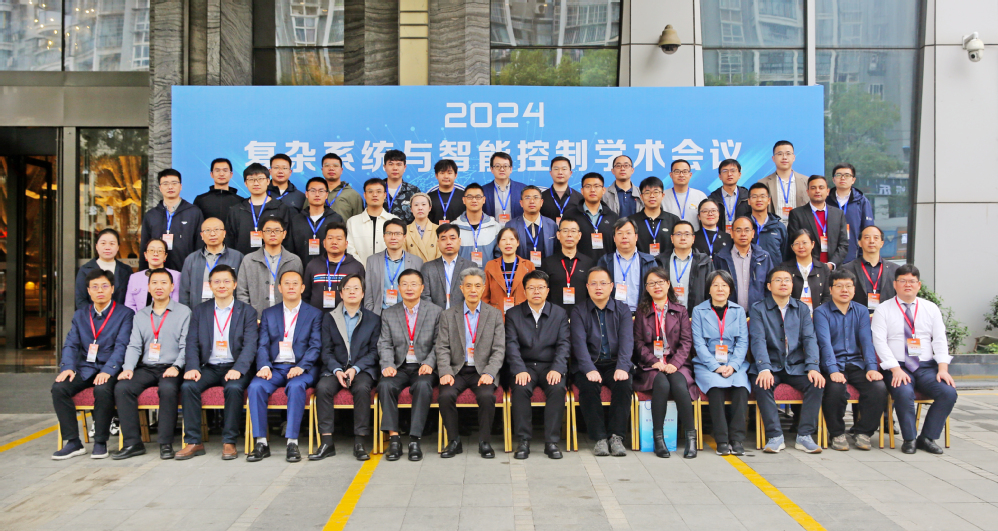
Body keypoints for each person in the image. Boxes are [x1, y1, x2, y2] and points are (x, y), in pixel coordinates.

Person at [871, 264, 957, 455]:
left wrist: (943, 369)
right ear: (895, 284)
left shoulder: (930, 308)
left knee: (948, 393)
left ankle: (927, 438)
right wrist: (895, 369)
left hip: (926, 367)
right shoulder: (883, 309)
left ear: (919, 285)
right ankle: (909, 439)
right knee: (903, 392)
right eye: (902, 281)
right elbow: (879, 342)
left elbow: (940, 340)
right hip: (897, 366)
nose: (907, 285)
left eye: (912, 281)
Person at [51, 269, 134, 460]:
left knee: (102, 390)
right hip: (85, 368)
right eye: (94, 287)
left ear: (112, 288)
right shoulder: (81, 314)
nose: (100, 290)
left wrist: (108, 370)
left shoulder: (125, 314)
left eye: (104, 286)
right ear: (88, 291)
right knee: (59, 388)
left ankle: (100, 442)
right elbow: (71, 344)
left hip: (111, 369)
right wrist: (68, 367)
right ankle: (73, 442)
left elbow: (122, 346)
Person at [177, 264, 258, 460]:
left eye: (226, 281)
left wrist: (238, 369)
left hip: (235, 366)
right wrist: (192, 367)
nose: (222, 285)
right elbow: (192, 342)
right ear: (210, 285)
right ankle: (194, 442)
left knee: (234, 388)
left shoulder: (247, 311)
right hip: (209, 366)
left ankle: (229, 441)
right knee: (188, 386)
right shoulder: (200, 311)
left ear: (235, 284)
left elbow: (250, 345)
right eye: (217, 281)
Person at [112, 269, 192, 460]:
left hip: (172, 367)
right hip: (147, 367)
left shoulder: (184, 312)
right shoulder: (140, 315)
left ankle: (165, 443)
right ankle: (133, 443)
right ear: (148, 287)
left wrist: (177, 366)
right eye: (154, 283)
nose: (159, 287)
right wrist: (128, 368)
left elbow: (187, 346)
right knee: (123, 387)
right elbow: (134, 345)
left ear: (172, 287)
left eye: (164, 283)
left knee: (167, 389)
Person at [246, 270, 322, 462]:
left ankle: (292, 443)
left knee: (296, 386)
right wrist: (264, 366)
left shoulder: (314, 314)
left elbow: (315, 346)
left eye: (295, 283)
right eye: (286, 283)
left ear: (302, 288)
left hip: (302, 368)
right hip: (275, 367)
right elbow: (262, 344)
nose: (291, 287)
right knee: (255, 386)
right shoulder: (269, 313)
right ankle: (261, 442)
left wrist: (302, 367)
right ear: (279, 288)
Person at [750, 266, 825, 454]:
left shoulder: (802, 309)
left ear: (792, 285)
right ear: (769, 286)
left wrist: (813, 367)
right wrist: (764, 368)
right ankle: (775, 436)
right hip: (771, 366)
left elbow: (810, 339)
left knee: (816, 383)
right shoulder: (758, 309)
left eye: (787, 280)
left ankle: (805, 436)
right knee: (761, 384)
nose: (783, 283)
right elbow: (758, 340)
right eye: (778, 280)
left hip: (795, 366)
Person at [815, 269, 887, 451]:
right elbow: (824, 344)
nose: (844, 290)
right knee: (835, 389)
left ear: (854, 289)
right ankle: (837, 433)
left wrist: (872, 368)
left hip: (856, 364)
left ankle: (864, 432)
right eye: (839, 286)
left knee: (878, 388)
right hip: (832, 364)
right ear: (830, 289)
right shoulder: (821, 312)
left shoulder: (861, 311)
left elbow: (866, 342)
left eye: (848, 286)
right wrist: (833, 370)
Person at [437, 267, 506, 459]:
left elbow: (499, 349)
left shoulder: (494, 314)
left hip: (482, 370)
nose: (473, 290)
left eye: (477, 285)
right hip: (457, 369)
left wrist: (490, 373)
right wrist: (445, 371)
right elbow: (442, 347)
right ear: (461, 288)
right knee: (445, 395)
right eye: (468, 286)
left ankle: (484, 442)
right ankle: (454, 441)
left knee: (486, 396)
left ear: (483, 288)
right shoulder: (448, 315)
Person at [311, 274, 380, 461]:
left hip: (362, 369)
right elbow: (326, 351)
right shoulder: (329, 318)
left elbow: (374, 352)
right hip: (335, 368)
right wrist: (337, 370)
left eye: (356, 288)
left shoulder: (373, 319)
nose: (352, 292)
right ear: (340, 293)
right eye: (347, 288)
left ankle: (360, 442)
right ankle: (327, 442)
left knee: (362, 388)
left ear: (363, 293)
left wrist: (355, 368)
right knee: (323, 388)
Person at [377, 269, 442, 461]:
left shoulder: (436, 311)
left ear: (422, 288)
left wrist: (430, 363)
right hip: (399, 366)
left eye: (414, 284)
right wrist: (387, 365)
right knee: (385, 385)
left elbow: (440, 343)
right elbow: (384, 343)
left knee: (422, 385)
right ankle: (394, 438)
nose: (409, 288)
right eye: (404, 284)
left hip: (424, 366)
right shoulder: (389, 313)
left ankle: (415, 439)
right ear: (398, 288)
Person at [632, 267, 697, 459]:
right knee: (661, 383)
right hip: (651, 365)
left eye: (660, 282)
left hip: (676, 364)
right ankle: (658, 438)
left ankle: (691, 437)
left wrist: (675, 363)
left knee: (678, 384)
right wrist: (654, 361)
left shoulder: (680, 310)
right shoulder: (642, 312)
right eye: (652, 283)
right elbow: (638, 343)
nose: (657, 286)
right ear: (646, 288)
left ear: (668, 284)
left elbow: (686, 342)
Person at [505, 270, 570, 459]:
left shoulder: (559, 313)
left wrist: (557, 368)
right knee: (520, 388)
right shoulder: (513, 314)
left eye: (540, 287)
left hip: (550, 366)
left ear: (547, 290)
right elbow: (511, 345)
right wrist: (519, 369)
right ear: (524, 291)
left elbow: (564, 344)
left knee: (557, 388)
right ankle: (523, 441)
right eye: (531, 288)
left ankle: (551, 442)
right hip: (525, 366)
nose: (536, 292)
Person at [570, 266, 633, 456]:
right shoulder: (578, 310)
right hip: (588, 364)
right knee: (588, 387)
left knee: (624, 385)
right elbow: (578, 344)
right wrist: (589, 368)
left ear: (611, 286)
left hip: (615, 364)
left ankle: (616, 437)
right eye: (594, 283)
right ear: (587, 286)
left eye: (603, 283)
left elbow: (627, 341)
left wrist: (622, 367)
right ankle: (599, 438)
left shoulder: (623, 309)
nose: (599, 287)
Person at [691, 270, 749, 456]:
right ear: (709, 289)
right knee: (715, 389)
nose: (720, 289)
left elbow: (742, 342)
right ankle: (722, 440)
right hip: (707, 363)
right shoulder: (699, 311)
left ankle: (737, 439)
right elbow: (698, 343)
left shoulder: (738, 311)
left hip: (733, 362)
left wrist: (733, 365)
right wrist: (715, 366)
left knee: (741, 388)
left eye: (724, 285)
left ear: (730, 289)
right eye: (715, 285)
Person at [236, 217, 304, 319]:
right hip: (256, 318)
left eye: (277, 230)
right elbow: (242, 293)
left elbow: (299, 292)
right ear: (261, 234)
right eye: (268, 230)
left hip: (287, 318)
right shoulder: (249, 260)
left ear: (284, 234)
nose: (273, 234)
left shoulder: (294, 261)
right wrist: (249, 317)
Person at [140, 169, 204, 271]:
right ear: (160, 188)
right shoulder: (151, 215)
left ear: (180, 186)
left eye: (174, 183)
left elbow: (200, 246)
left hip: (186, 271)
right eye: (165, 183)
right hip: (156, 273)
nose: (170, 187)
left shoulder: (194, 212)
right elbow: (144, 247)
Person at [225, 163, 293, 256]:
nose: (256, 183)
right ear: (245, 183)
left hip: (274, 261)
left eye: (260, 179)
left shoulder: (281, 208)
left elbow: (288, 240)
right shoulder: (236, 210)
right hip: (243, 261)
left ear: (268, 181)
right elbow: (229, 241)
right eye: (251, 179)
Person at [178, 217, 244, 308]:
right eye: (207, 230)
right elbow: (184, 292)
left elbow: (242, 290)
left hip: (230, 311)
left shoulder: (237, 257)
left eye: (217, 229)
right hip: (198, 311)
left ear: (224, 233)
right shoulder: (191, 259)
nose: (212, 234)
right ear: (201, 235)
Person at [364, 218, 425, 315]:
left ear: (404, 237)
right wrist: (372, 315)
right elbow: (368, 293)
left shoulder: (417, 262)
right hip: (380, 314)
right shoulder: (372, 261)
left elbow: (421, 292)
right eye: (389, 233)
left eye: (397, 234)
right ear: (384, 236)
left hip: (408, 314)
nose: (393, 237)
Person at [786, 175, 849, 268]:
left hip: (833, 269)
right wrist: (814, 266)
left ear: (827, 191)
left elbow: (843, 244)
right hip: (808, 268)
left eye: (821, 187)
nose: (817, 191)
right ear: (808, 192)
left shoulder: (838, 214)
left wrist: (831, 264)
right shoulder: (796, 214)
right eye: (813, 188)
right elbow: (794, 243)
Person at [712, 217, 774, 310]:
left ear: (753, 233)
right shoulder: (721, 258)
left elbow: (771, 287)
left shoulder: (764, 257)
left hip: (758, 313)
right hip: (729, 312)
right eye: (738, 230)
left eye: (747, 230)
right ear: (731, 233)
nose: (743, 234)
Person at [596, 218, 657, 313]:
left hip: (643, 315)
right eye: (620, 233)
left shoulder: (649, 262)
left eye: (628, 233)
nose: (624, 237)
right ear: (614, 238)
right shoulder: (605, 261)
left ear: (636, 237)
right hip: (613, 315)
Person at [302, 222, 365, 310]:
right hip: (317, 317)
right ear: (324, 243)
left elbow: (363, 297)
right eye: (330, 238)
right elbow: (305, 296)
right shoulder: (312, 265)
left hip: (347, 316)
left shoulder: (356, 267)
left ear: (346, 244)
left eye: (339, 239)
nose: (334, 242)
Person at [285, 177, 344, 268]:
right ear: (306, 194)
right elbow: (289, 249)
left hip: (329, 270)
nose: (317, 194)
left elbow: (342, 248)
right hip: (301, 270)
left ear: (326, 195)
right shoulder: (296, 220)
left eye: (321, 191)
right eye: (313, 191)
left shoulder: (336, 219)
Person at [540, 218, 594, 309]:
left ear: (579, 235)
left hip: (582, 315)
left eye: (573, 231)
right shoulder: (548, 263)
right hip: (555, 315)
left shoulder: (589, 263)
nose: (569, 235)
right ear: (558, 235)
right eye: (565, 231)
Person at [841, 225, 898, 312]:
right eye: (867, 237)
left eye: (876, 238)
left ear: (882, 243)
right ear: (859, 243)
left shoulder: (895, 270)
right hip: (856, 317)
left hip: (887, 317)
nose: (871, 241)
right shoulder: (846, 269)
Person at [660, 220, 713, 311]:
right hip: (666, 314)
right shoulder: (660, 261)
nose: (683, 238)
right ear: (672, 238)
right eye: (678, 234)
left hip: (696, 314)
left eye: (687, 234)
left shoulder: (704, 262)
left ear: (693, 238)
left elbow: (711, 291)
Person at [827, 163, 875, 264]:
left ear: (853, 180)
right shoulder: (826, 201)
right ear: (833, 179)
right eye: (839, 175)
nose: (842, 178)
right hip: (829, 257)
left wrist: (863, 258)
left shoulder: (861, 201)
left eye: (847, 175)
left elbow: (867, 231)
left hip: (853, 257)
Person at [421, 223, 475, 310]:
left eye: (452, 238)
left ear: (459, 241)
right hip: (435, 316)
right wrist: (437, 314)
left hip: (462, 315)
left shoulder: (470, 267)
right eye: (443, 239)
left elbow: (472, 295)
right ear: (438, 242)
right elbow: (425, 296)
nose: (448, 242)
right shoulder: (428, 268)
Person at [75, 228, 133, 310]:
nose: (107, 247)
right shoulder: (85, 270)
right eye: (103, 243)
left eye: (112, 243)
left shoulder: (126, 270)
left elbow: (131, 299)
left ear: (118, 247)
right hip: (92, 316)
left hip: (121, 316)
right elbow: (81, 300)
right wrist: (96, 315)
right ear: (96, 246)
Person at [483, 227, 535, 313]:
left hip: (522, 315)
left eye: (512, 239)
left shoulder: (528, 266)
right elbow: (485, 296)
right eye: (503, 239)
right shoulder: (490, 266)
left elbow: (533, 294)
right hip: (496, 315)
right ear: (498, 244)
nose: (508, 243)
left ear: (517, 243)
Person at [567, 172, 618, 261]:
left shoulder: (613, 217)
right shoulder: (570, 215)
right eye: (588, 186)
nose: (592, 190)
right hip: (578, 266)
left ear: (603, 190)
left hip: (606, 266)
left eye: (596, 186)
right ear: (582, 191)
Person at [346, 178, 397, 264]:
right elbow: (350, 250)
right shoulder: (352, 222)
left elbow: (398, 249)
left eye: (379, 192)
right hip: (359, 270)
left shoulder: (394, 221)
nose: (375, 195)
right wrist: (362, 268)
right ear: (365, 195)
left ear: (385, 195)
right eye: (370, 192)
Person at [759, 140, 808, 225]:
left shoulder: (806, 181)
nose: (784, 157)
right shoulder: (763, 183)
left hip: (800, 229)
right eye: (780, 154)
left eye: (788, 153)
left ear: (794, 157)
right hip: (774, 229)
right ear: (773, 158)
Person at [508, 185, 559, 265]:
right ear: (521, 203)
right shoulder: (511, 226)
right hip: (520, 270)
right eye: (527, 198)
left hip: (546, 270)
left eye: (536, 197)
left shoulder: (552, 225)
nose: (532, 201)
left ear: (541, 202)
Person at [782, 229, 832, 312]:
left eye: (804, 243)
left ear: (813, 244)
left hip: (818, 314)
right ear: (792, 247)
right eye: (797, 243)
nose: (801, 247)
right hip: (792, 314)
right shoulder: (784, 268)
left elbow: (827, 295)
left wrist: (820, 314)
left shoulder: (823, 268)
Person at [630, 176, 680, 258]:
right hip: (640, 264)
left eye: (656, 192)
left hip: (667, 265)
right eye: (647, 192)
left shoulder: (673, 220)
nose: (652, 196)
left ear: (662, 195)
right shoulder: (632, 221)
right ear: (641, 196)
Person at [453, 183, 501, 266]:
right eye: (470, 197)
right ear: (464, 200)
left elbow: (499, 257)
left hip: (487, 274)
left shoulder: (495, 227)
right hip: (462, 274)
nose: (474, 200)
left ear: (484, 200)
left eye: (478, 197)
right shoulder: (454, 227)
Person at [125, 239, 181, 312]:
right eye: (151, 250)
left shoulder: (176, 276)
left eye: (160, 251)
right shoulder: (134, 277)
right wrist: (138, 318)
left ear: (165, 256)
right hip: (139, 318)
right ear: (145, 255)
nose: (155, 254)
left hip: (167, 317)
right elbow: (129, 305)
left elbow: (176, 303)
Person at [746, 183, 788, 263]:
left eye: (762, 196)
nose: (759, 200)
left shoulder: (779, 227)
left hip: (774, 270)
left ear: (769, 200)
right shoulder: (743, 226)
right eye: (754, 197)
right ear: (749, 201)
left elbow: (785, 255)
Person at [193, 158, 244, 223]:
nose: (221, 174)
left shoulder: (240, 201)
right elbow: (195, 224)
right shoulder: (200, 200)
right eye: (217, 170)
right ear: (211, 174)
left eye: (225, 170)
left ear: (231, 174)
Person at [662, 160, 708, 230]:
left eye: (685, 171)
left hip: (694, 236)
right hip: (669, 236)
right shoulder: (662, 196)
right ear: (671, 175)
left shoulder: (700, 196)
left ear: (690, 175)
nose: (681, 175)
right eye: (677, 171)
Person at [708, 158, 751, 233]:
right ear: (720, 176)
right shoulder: (712, 198)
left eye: (733, 171)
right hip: (720, 237)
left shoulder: (748, 197)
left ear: (739, 175)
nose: (729, 174)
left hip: (743, 236)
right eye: (725, 171)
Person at [482, 152, 526, 225]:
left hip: (516, 231)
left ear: (511, 169)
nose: (502, 169)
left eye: (505, 166)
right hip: (491, 231)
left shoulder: (523, 189)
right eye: (497, 166)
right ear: (492, 169)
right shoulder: (483, 191)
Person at [321, 152, 365, 221]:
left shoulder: (353, 195)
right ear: (322, 170)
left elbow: (359, 222)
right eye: (327, 165)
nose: (331, 168)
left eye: (335, 166)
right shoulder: (314, 192)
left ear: (341, 170)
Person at [540, 156, 584, 223]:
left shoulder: (580, 198)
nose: (560, 172)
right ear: (551, 173)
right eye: (556, 169)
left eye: (564, 169)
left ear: (570, 173)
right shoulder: (541, 197)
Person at [382, 149, 420, 224]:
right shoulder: (376, 190)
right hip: (380, 231)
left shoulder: (414, 191)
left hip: (406, 231)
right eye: (391, 164)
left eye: (399, 164)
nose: (395, 168)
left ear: (404, 167)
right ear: (385, 167)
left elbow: (419, 217)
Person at [426, 159, 466, 224]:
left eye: (449, 173)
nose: (446, 176)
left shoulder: (464, 196)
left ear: (455, 175)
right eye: (442, 173)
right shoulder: (428, 197)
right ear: (436, 175)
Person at [405, 193, 441, 262]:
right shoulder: (405, 230)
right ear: (411, 209)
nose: (420, 208)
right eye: (416, 205)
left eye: (423, 204)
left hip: (433, 268)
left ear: (430, 208)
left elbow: (441, 256)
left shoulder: (438, 229)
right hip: (411, 268)